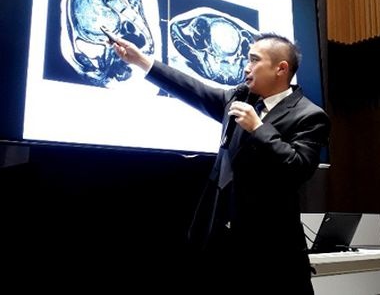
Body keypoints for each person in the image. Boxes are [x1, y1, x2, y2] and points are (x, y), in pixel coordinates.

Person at [110, 32, 330, 294]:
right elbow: (193, 89)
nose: (246, 67)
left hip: (270, 251)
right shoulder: (240, 99)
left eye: (254, 60)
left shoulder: (310, 115)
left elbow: (299, 167)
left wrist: (258, 128)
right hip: (219, 242)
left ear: (281, 69)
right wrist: (140, 60)